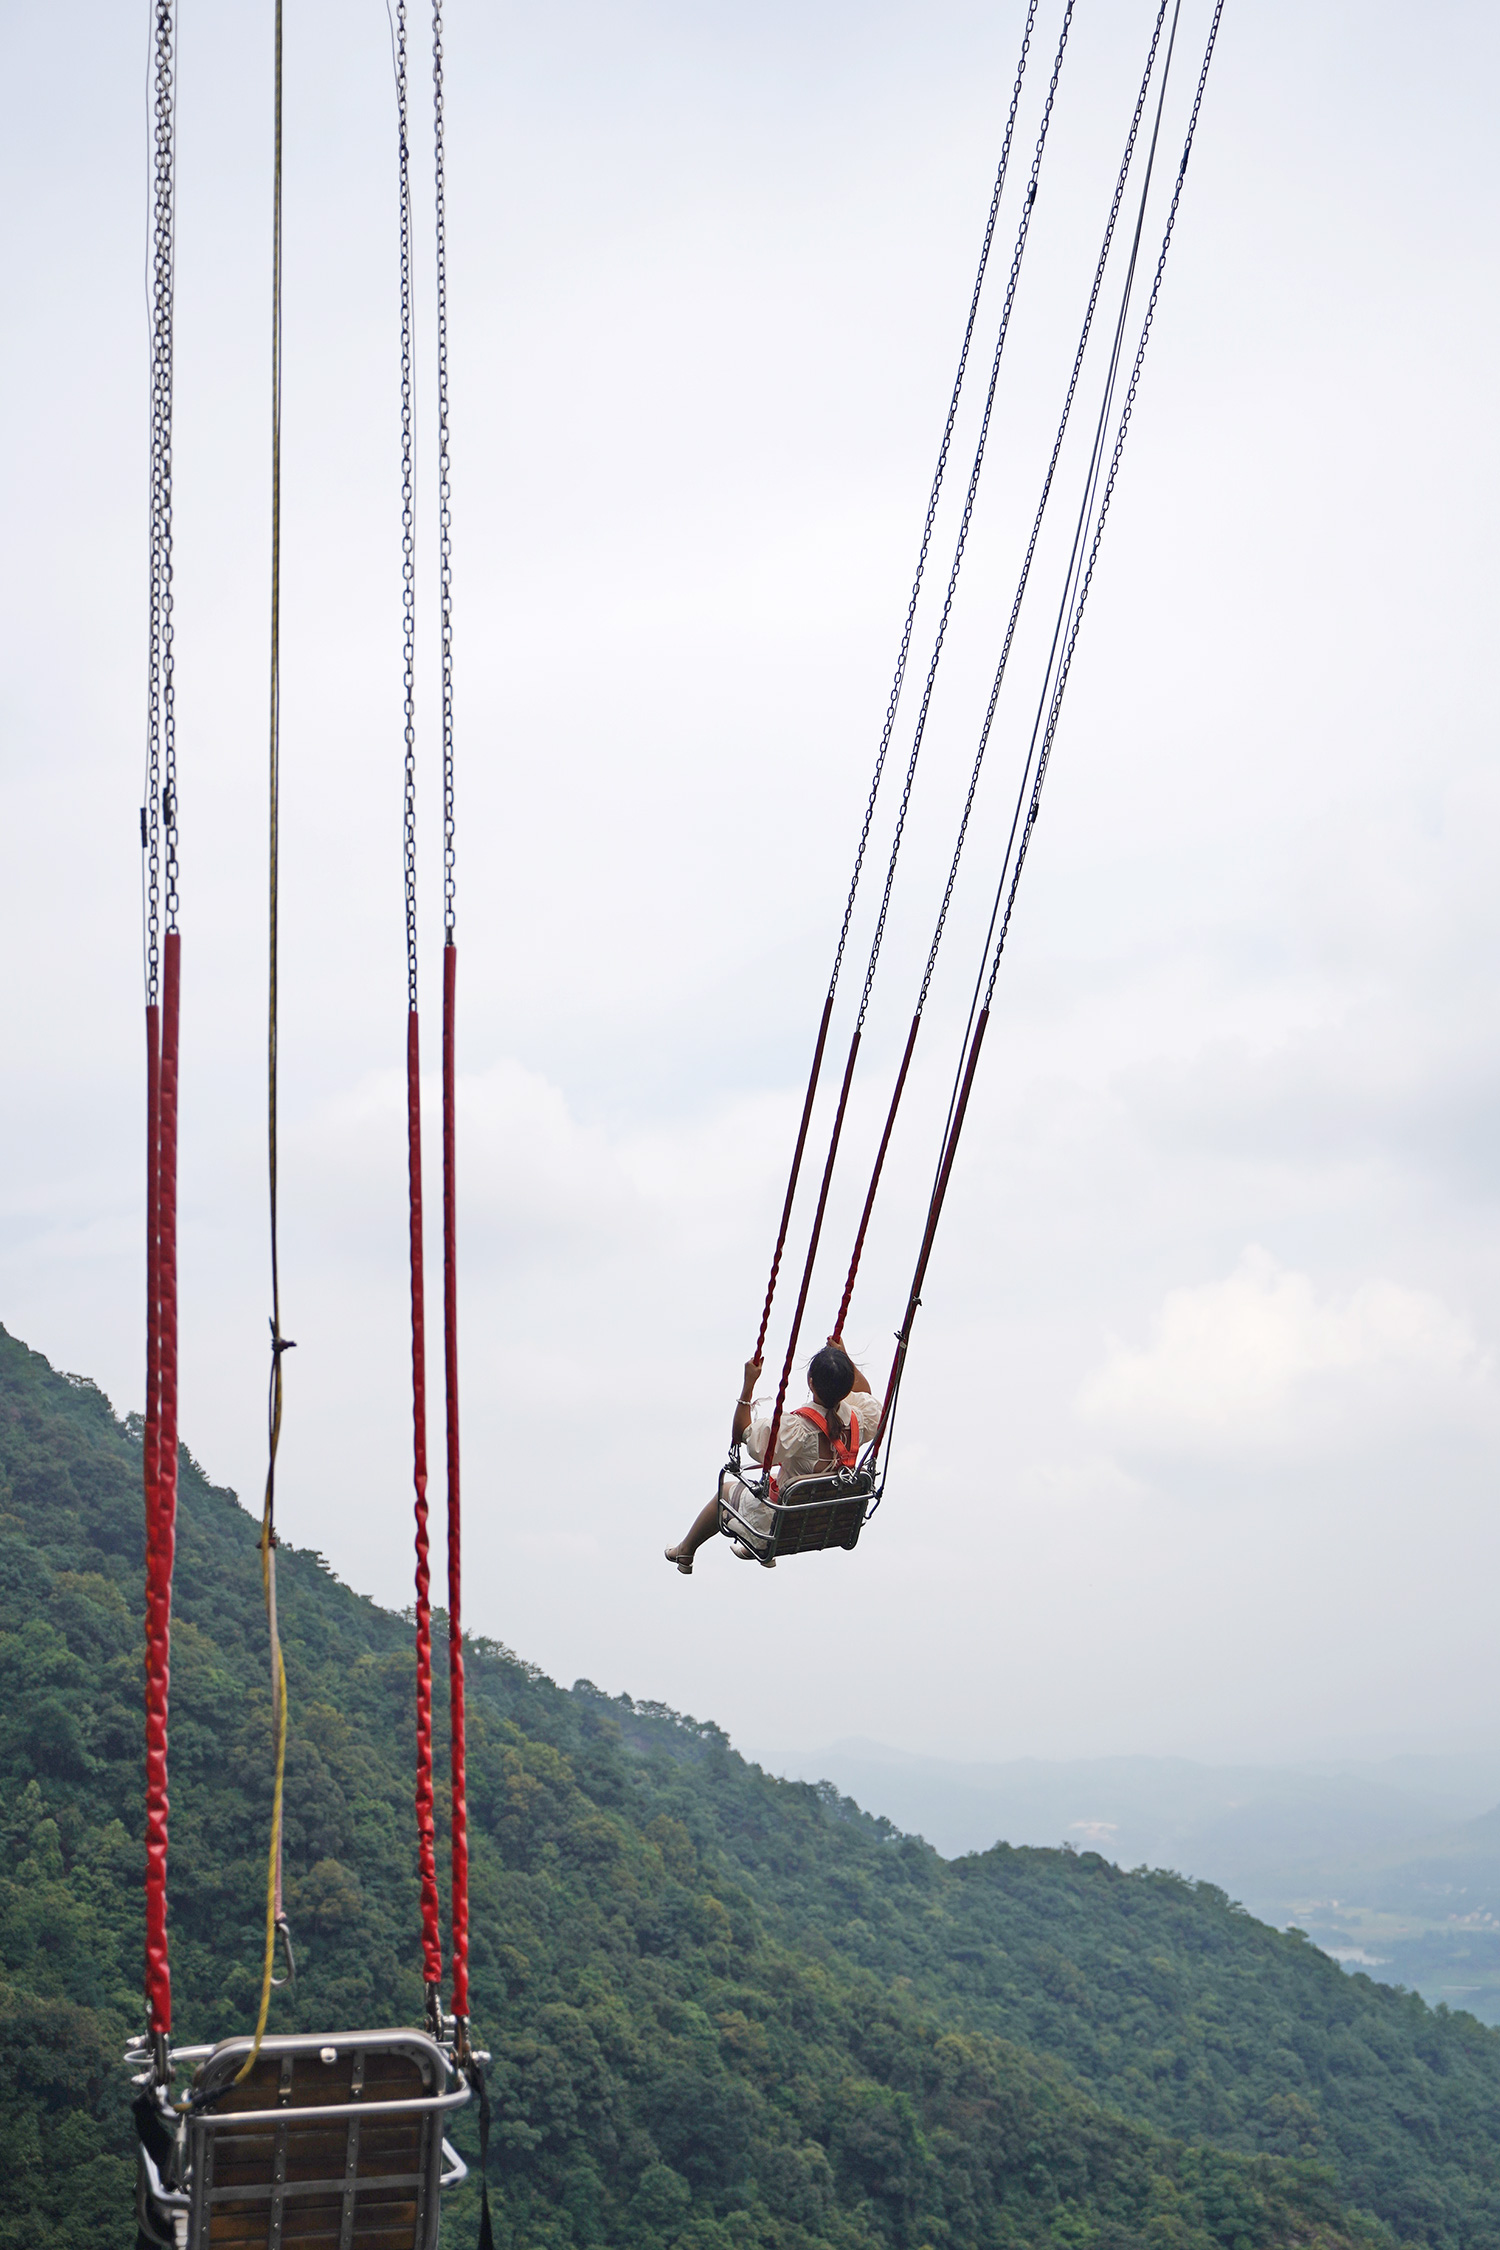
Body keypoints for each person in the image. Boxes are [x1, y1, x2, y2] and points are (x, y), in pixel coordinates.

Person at [665, 1335, 882, 1575]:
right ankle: (752, 1546)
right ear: (847, 1386)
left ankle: (686, 1550)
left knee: (725, 1493)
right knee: (776, 1484)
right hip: (829, 1519)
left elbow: (742, 1433)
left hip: (785, 1522)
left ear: (811, 1383)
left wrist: (748, 1385)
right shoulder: (859, 1421)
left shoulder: (797, 1430)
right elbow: (866, 1395)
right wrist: (845, 1359)